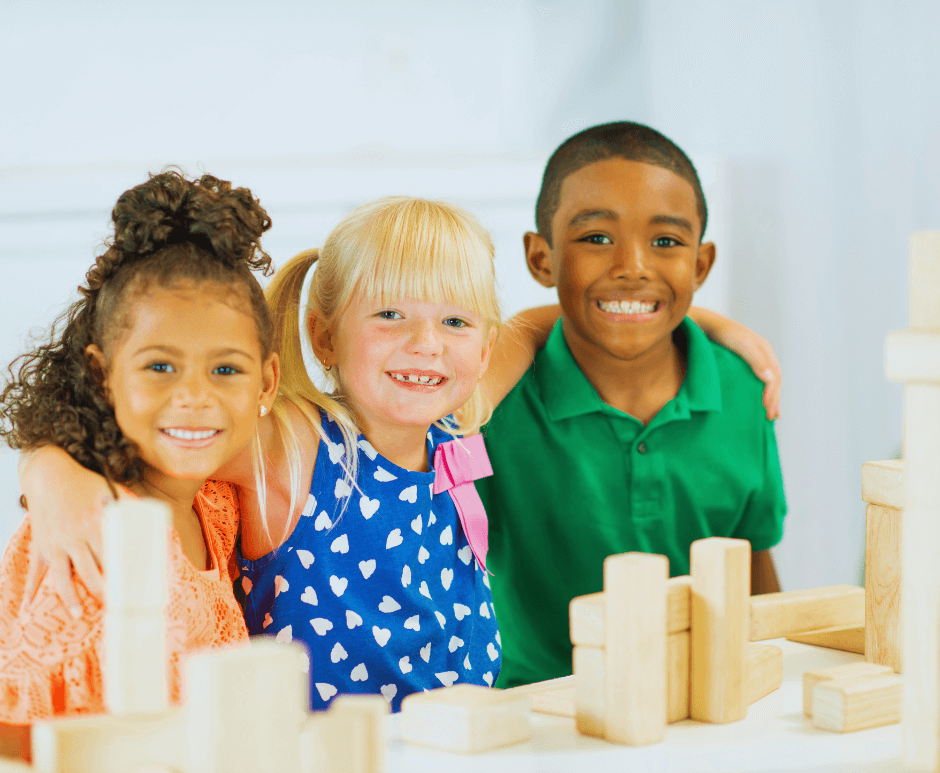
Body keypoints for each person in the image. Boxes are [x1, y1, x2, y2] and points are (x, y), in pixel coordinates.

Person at [16, 195, 780, 709]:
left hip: (467, 743)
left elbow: (548, 322)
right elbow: (159, 429)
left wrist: (699, 322)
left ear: (483, 347)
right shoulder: (295, 444)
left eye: (455, 322)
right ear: (324, 338)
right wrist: (48, 472)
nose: (426, 345)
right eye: (389, 315)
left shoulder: (462, 420)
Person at [476, 121, 788, 689]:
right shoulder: (495, 401)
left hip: (702, 705)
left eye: (666, 242)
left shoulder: (745, 389)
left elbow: (754, 567)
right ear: (541, 259)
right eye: (597, 238)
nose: (634, 265)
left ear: (701, 264)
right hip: (534, 714)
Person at [0, 171, 279, 757]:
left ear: (267, 382)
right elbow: (22, 736)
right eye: (160, 367)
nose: (194, 396)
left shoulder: (219, 507)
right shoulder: (88, 534)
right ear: (102, 376)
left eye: (225, 369)